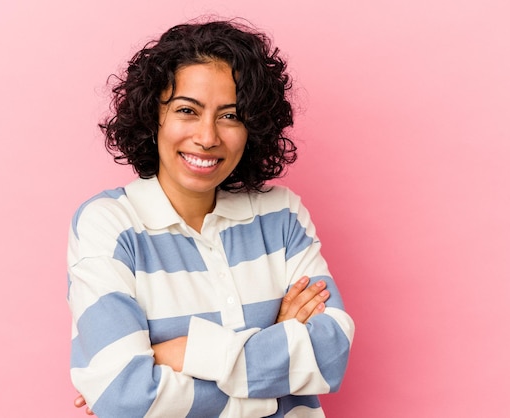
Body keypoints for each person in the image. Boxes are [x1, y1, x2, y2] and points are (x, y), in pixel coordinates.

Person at [67, 18, 355, 417]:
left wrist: (187, 352)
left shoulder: (282, 214)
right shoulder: (109, 225)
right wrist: (276, 362)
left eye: (230, 115)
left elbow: (330, 353)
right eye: (188, 110)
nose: (207, 137)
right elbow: (122, 397)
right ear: (154, 116)